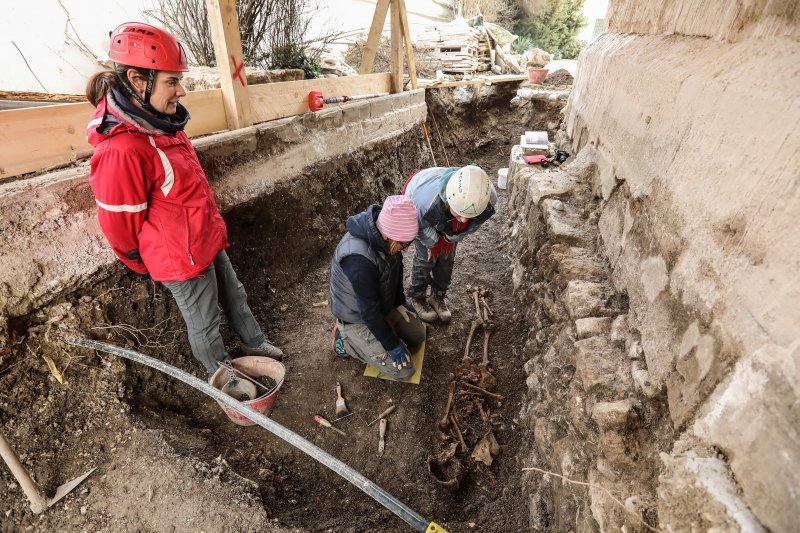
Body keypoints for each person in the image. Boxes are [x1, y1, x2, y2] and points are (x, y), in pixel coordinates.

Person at [84, 22, 283, 378]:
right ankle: (224, 378)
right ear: (138, 79)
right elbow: (120, 223)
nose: (183, 90)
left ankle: (254, 342)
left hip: (204, 236)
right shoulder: (123, 148)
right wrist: (144, 261)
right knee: (205, 324)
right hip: (180, 257)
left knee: (234, 294)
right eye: (172, 82)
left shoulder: (159, 122)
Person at [329, 195, 426, 381]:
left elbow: (396, 268)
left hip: (381, 304)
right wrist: (391, 345)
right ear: (386, 235)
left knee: (418, 335)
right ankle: (345, 341)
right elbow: (369, 312)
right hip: (357, 318)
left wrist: (399, 302)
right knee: (404, 371)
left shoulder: (388, 237)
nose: (406, 249)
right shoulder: (357, 259)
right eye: (404, 243)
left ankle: (382, 331)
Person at [403, 165, 497, 323]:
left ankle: (438, 295)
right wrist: (433, 242)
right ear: (449, 199)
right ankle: (417, 296)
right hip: (423, 213)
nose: (464, 220)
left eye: (469, 215)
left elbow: (471, 226)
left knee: (447, 257)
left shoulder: (487, 200)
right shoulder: (423, 202)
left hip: (445, 212)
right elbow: (418, 225)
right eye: (459, 214)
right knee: (425, 257)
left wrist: (449, 239)